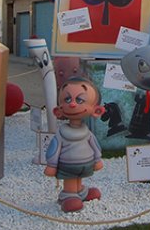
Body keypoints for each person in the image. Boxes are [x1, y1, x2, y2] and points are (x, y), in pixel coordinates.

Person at [44, 77, 105, 212]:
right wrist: (51, 165)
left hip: (85, 165)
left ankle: (80, 191)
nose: (72, 104)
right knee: (71, 179)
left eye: (80, 100)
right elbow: (54, 149)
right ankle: (69, 195)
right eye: (67, 99)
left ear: (96, 110)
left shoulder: (87, 132)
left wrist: (97, 159)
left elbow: (94, 145)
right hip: (68, 165)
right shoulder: (61, 134)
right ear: (58, 110)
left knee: (79, 178)